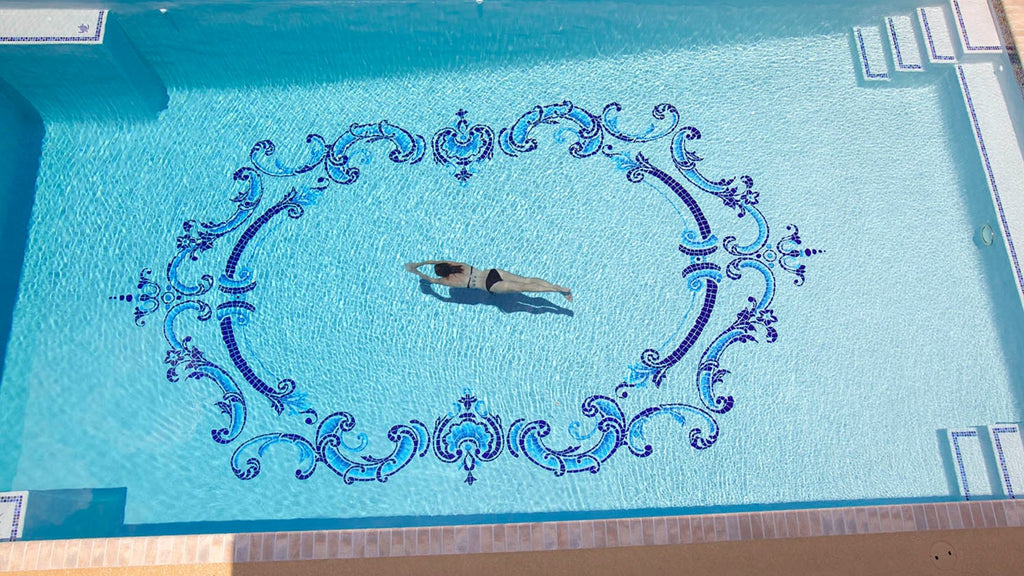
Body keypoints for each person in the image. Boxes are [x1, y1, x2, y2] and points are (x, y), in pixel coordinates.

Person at [404, 260, 573, 302]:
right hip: (492, 272)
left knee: (524, 288)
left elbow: (430, 279)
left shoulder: (449, 282)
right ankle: (554, 286)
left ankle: (557, 291)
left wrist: (415, 271)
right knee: (526, 279)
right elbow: (435, 261)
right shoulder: (459, 265)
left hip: (489, 285)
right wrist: (420, 263)